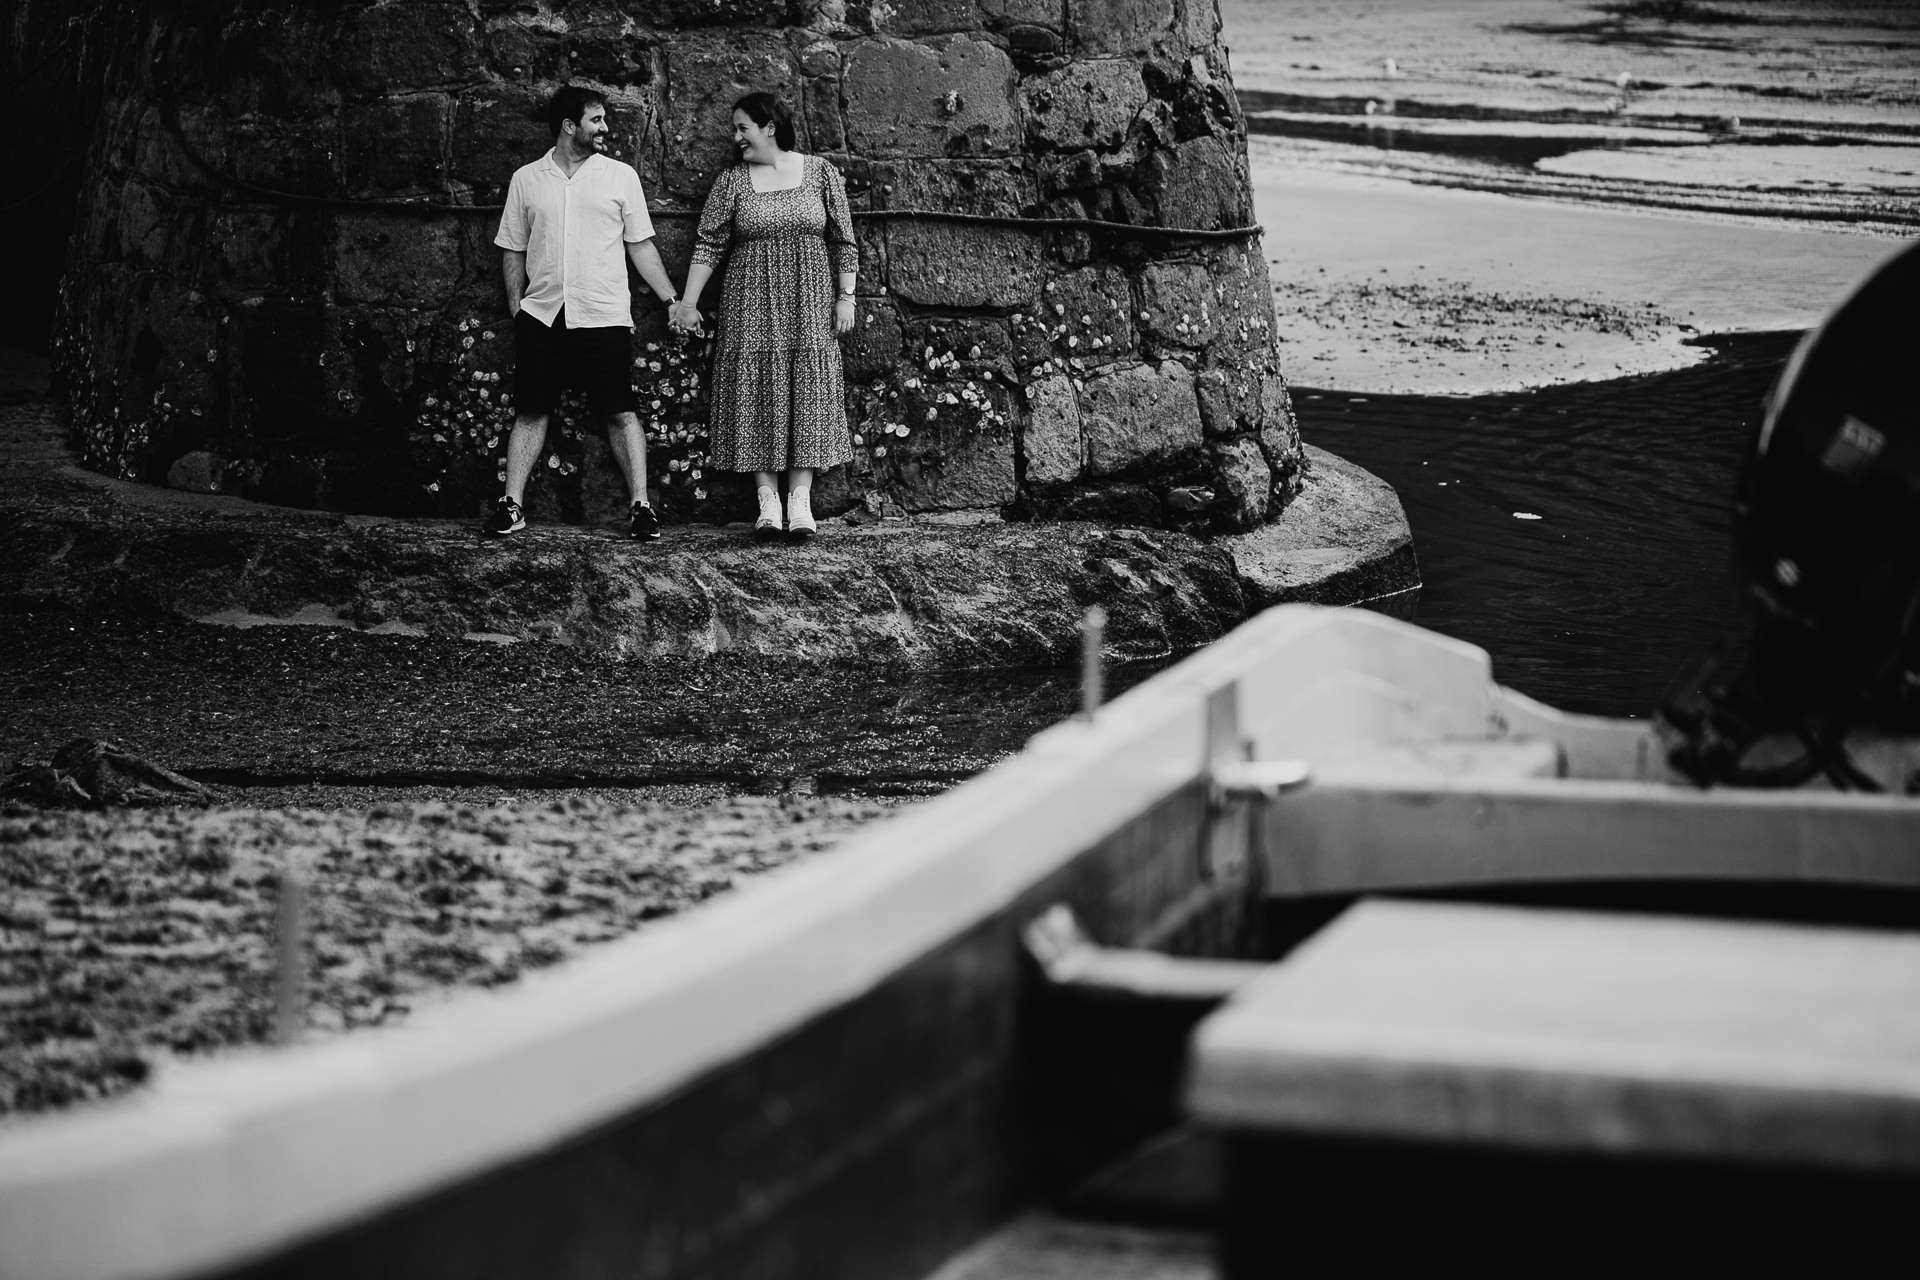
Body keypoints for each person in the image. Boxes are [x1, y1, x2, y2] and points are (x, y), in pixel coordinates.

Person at [489, 84, 681, 540]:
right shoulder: (526, 179)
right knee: (531, 411)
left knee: (620, 411)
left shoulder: (620, 177)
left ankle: (641, 507)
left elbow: (641, 245)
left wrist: (672, 301)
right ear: (569, 126)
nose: (605, 127)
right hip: (543, 315)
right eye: (596, 120)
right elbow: (512, 249)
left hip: (603, 314)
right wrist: (518, 309)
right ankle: (512, 504)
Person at [670, 92, 856, 543]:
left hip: (809, 300)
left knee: (807, 387)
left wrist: (846, 296)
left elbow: (844, 241)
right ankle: (767, 502)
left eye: (742, 128)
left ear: (769, 126)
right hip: (749, 301)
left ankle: (801, 501)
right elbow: (709, 245)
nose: (736, 138)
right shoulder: (732, 182)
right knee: (757, 389)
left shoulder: (821, 173)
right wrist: (688, 302)